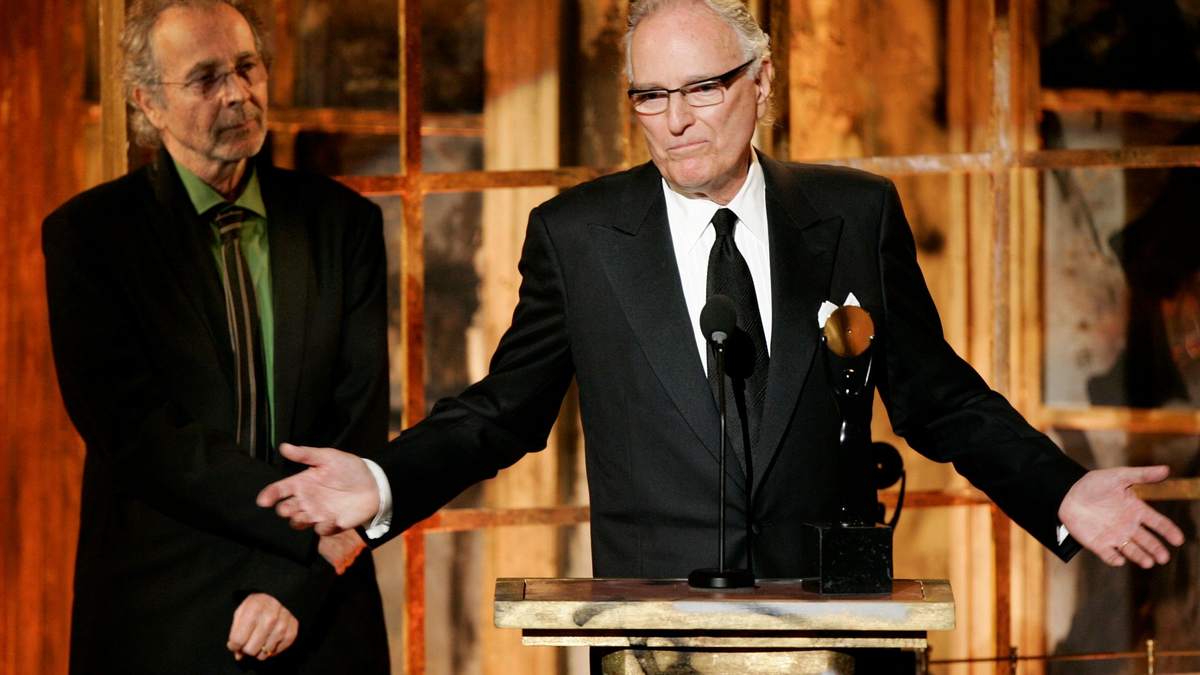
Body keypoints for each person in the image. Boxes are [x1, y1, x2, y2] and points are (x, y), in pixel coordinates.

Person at [259, 0, 1182, 580]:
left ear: (762, 80)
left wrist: (1061, 491)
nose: (674, 122)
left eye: (700, 88)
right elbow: (501, 412)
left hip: (828, 613)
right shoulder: (578, 236)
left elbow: (937, 397)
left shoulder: (852, 216)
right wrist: (381, 479)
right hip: (652, 625)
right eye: (649, 96)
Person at [43, 0, 390, 672]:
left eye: (247, 67)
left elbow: (357, 424)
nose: (237, 93)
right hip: (165, 609)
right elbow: (139, 433)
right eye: (205, 79)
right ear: (148, 102)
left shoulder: (343, 225)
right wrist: (299, 541)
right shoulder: (89, 237)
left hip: (321, 604)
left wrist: (294, 581)